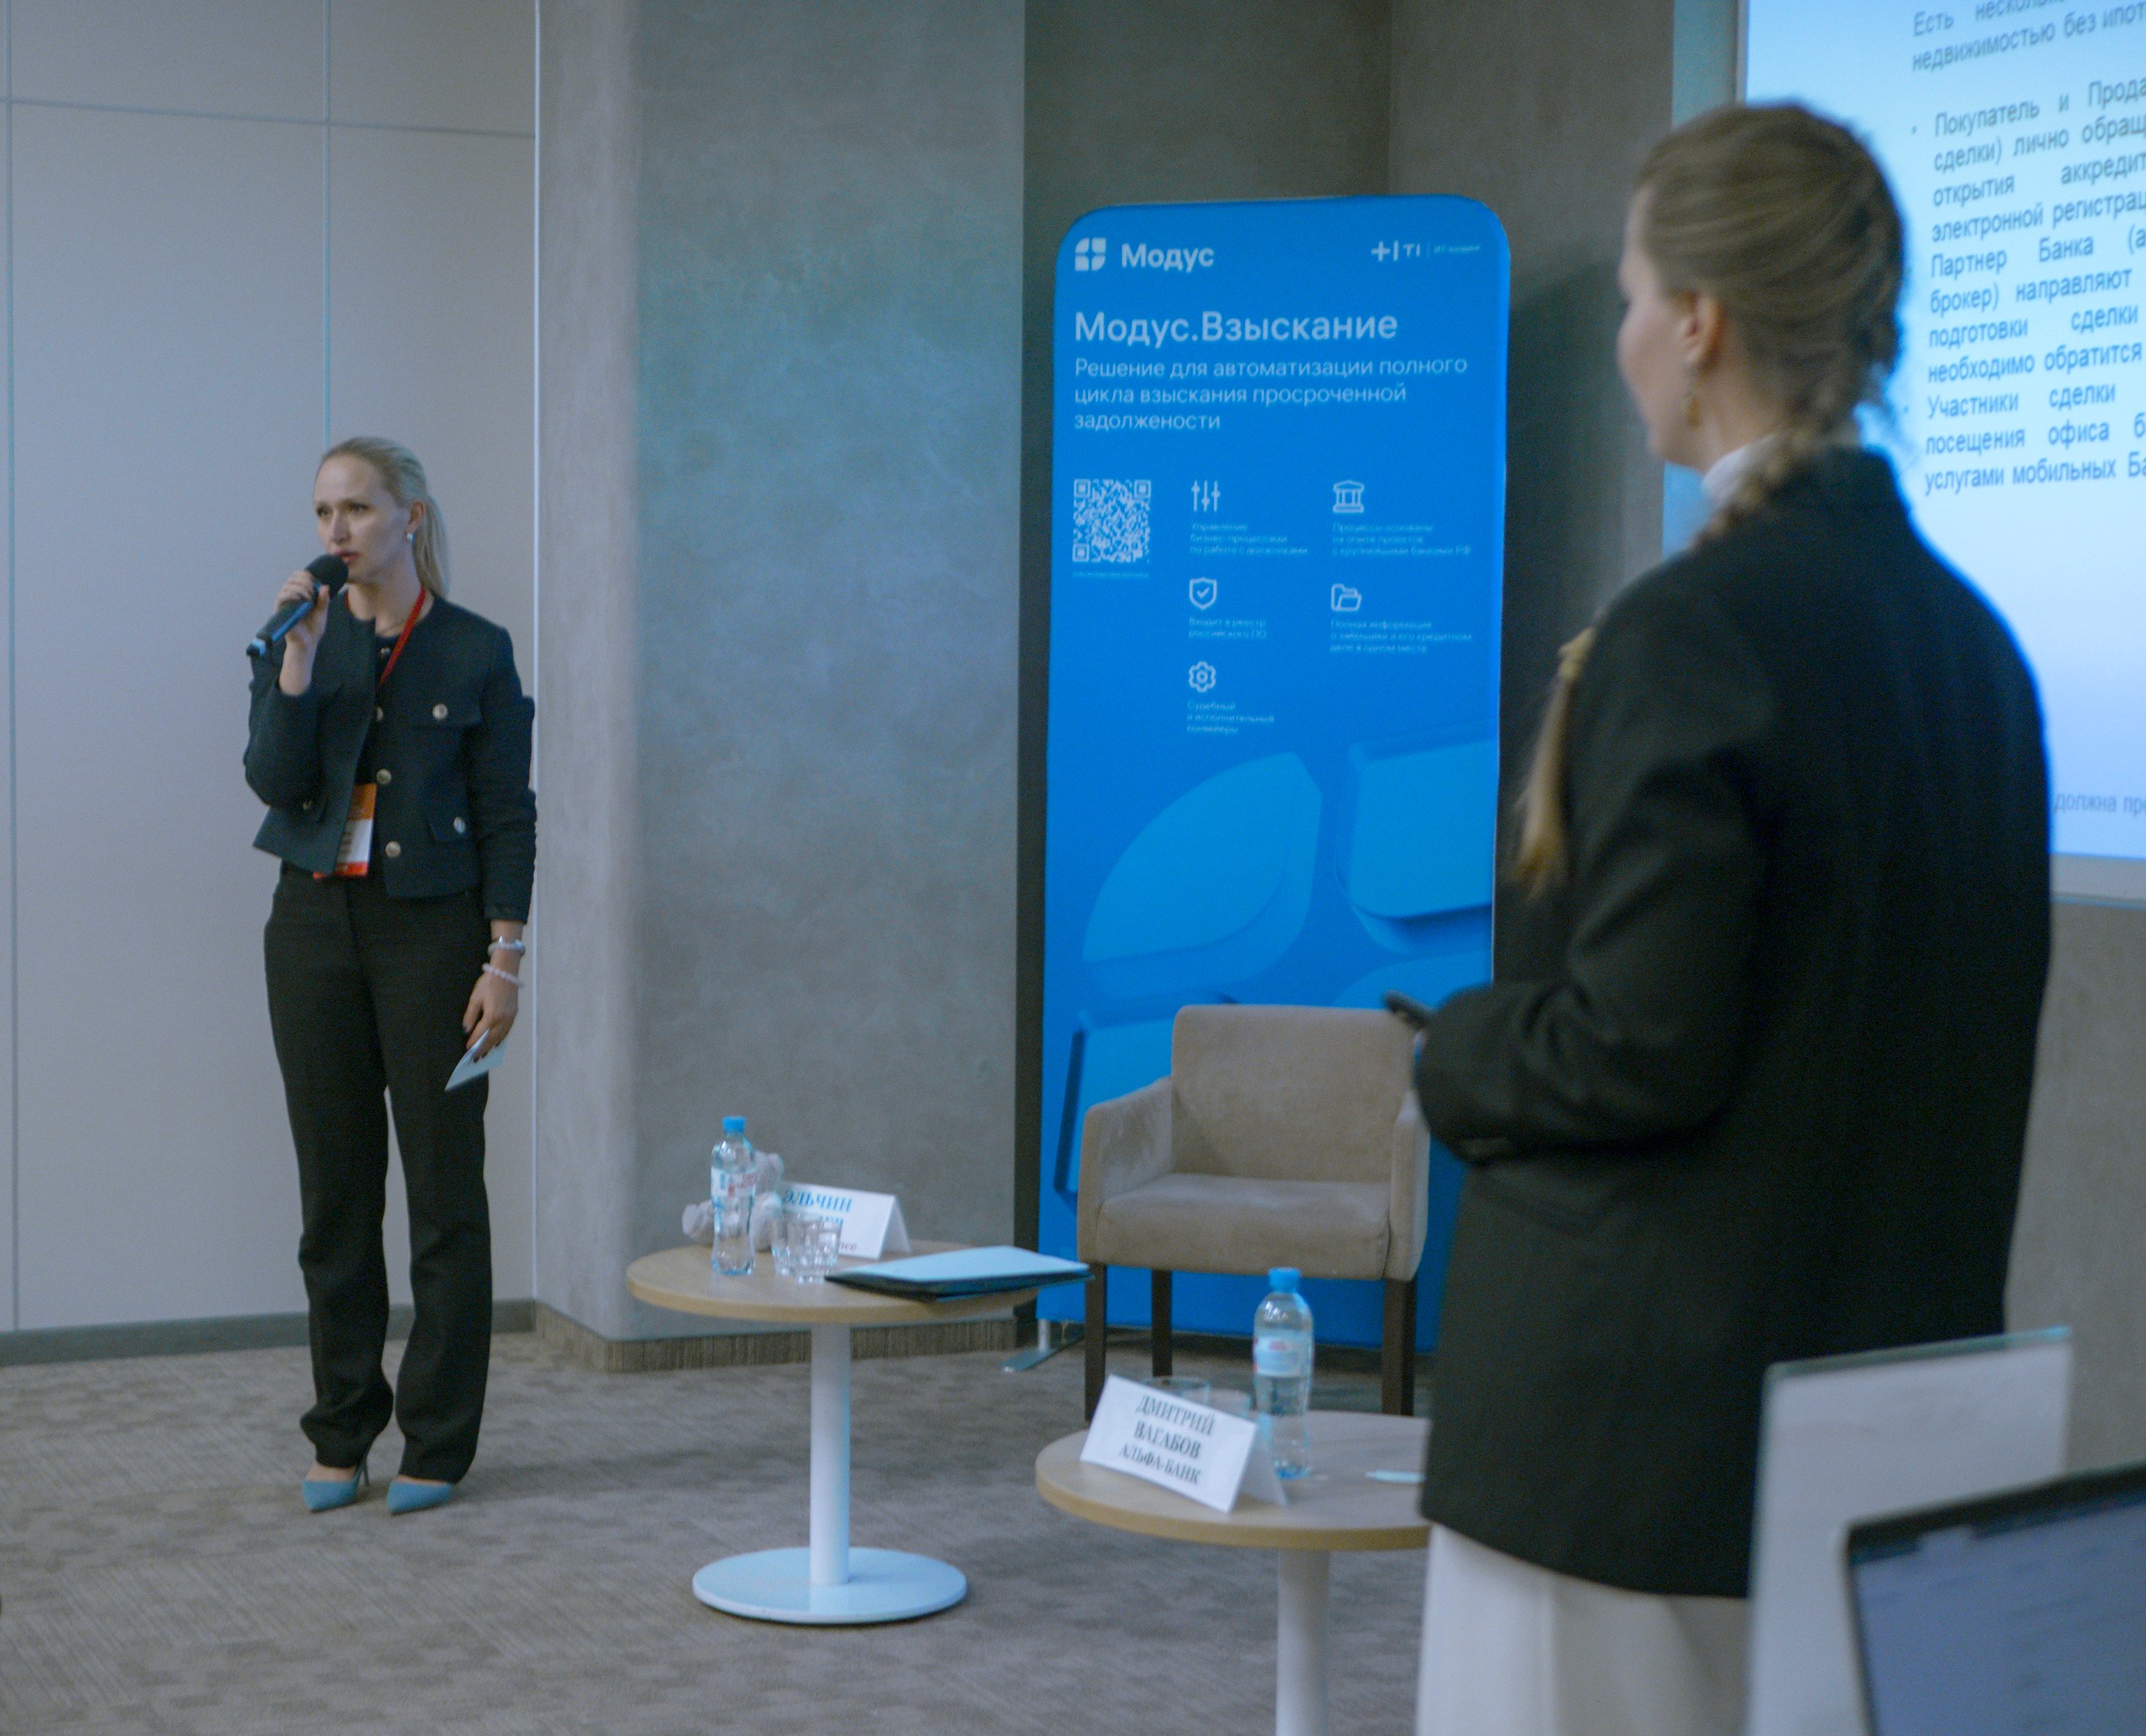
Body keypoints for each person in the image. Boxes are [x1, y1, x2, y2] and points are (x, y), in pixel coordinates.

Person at [1404, 105, 2049, 1736]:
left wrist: (1454, 1051)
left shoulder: (1685, 631)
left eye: (1631, 296)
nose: (1623, 334)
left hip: (1627, 1440)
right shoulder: (1977, 651)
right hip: (1877, 1422)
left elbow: (1634, 1047)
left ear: (1696, 322)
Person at [246, 437, 536, 1516]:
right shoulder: (301, 637)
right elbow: (272, 781)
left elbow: (508, 814)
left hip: (434, 938)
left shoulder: (474, 649)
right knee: (335, 1196)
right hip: (312, 932)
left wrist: (504, 960)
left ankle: (438, 1443)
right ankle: (341, 1432)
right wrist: (293, 669)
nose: (337, 531)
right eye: (324, 512)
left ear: (409, 516)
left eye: (358, 509)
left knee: (445, 1194)